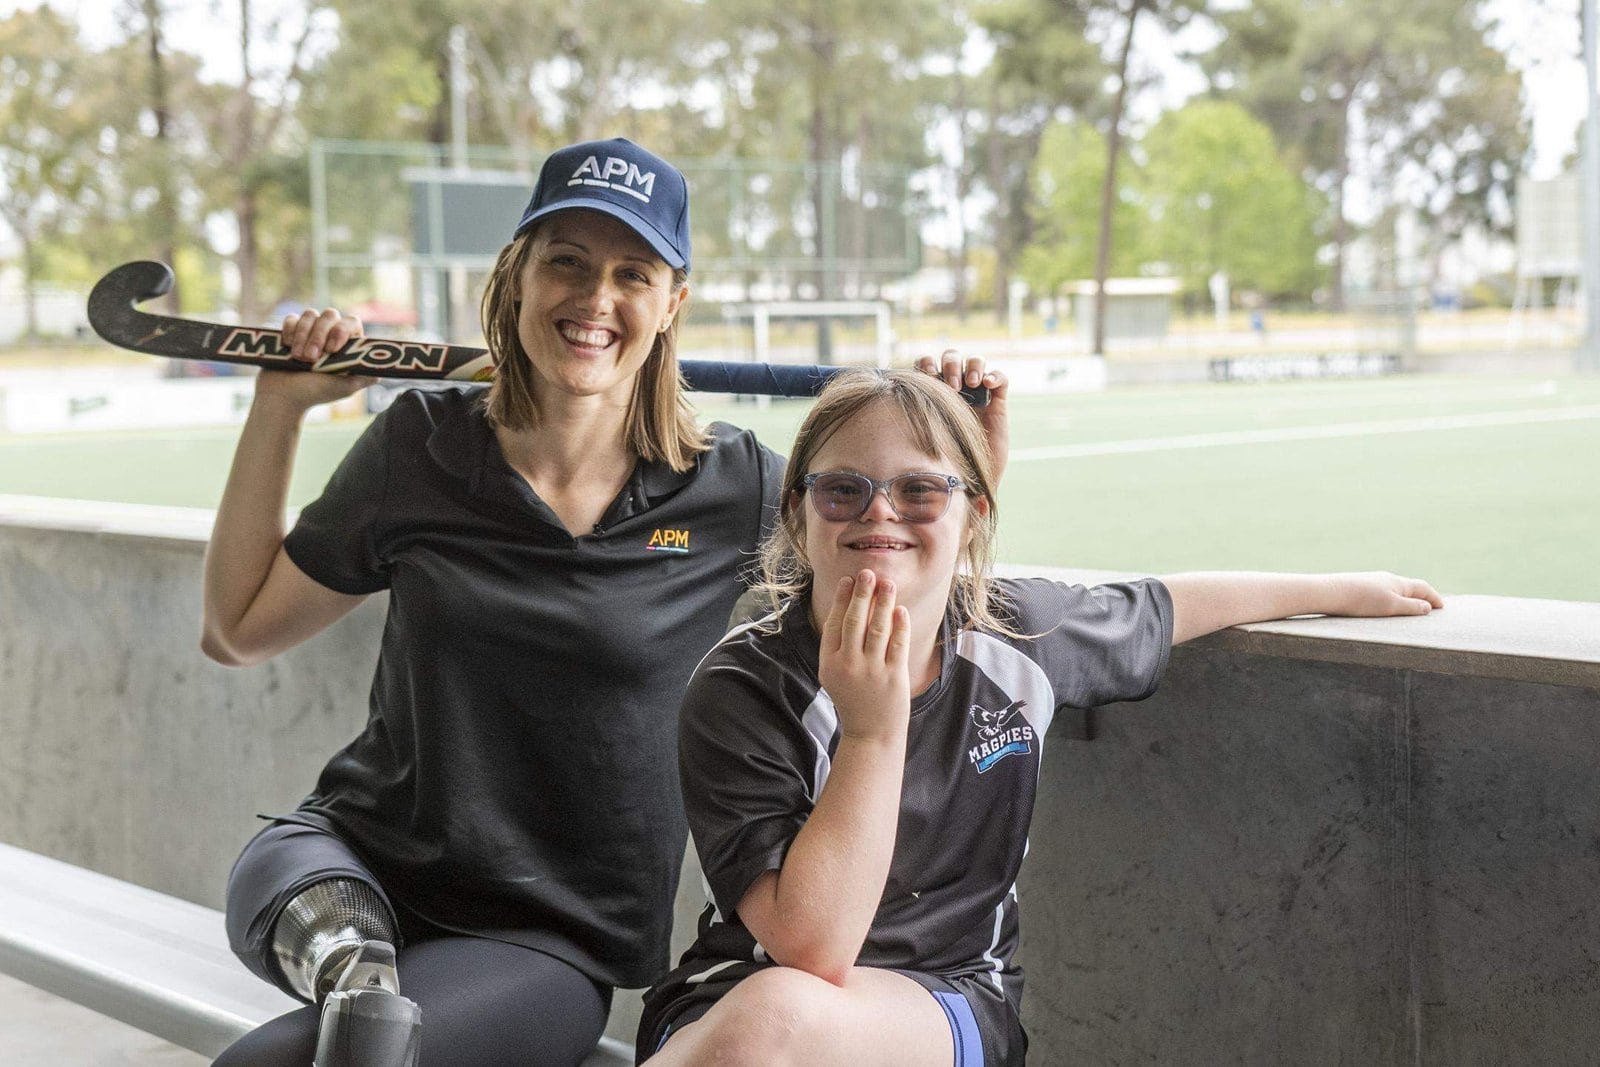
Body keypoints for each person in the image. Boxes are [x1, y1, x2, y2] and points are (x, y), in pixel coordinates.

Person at [200, 139, 1009, 1065]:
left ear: (673, 305)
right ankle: (361, 972)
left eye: (633, 272)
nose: (594, 300)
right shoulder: (417, 445)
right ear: (518, 277)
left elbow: (900, 567)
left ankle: (366, 988)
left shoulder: (736, 486)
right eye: (567, 263)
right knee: (363, 1007)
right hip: (347, 863)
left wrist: (961, 454)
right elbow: (238, 627)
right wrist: (280, 407)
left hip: (550, 937)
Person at [637, 369, 1443, 1066]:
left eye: (921, 489)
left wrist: (1341, 589)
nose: (880, 515)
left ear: (975, 513)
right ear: (797, 514)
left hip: (944, 998)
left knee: (775, 1019)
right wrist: (874, 731)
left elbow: (1165, 604)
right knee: (770, 1014)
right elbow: (812, 946)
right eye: (844, 489)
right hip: (739, 995)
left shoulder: (1015, 633)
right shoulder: (741, 686)